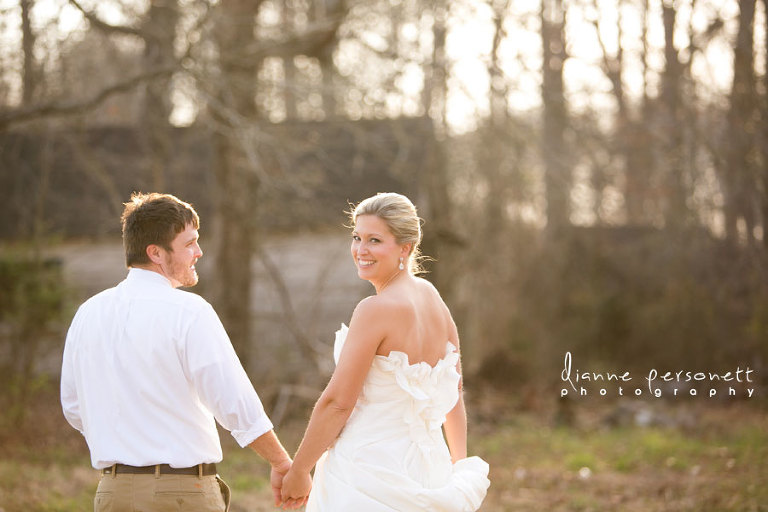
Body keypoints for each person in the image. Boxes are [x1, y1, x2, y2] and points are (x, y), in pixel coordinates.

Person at [60, 192, 307, 511]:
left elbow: (74, 407)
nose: (199, 252)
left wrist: (127, 439)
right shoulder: (189, 311)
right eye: (189, 243)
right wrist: (282, 463)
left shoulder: (88, 313)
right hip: (181, 495)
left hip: (112, 494)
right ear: (156, 253)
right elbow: (233, 401)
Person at [281, 192, 490, 510]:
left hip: (367, 470)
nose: (360, 251)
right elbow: (454, 393)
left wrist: (299, 470)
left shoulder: (374, 309)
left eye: (375, 240)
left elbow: (338, 403)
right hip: (430, 467)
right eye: (357, 237)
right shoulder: (432, 298)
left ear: (405, 247)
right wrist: (456, 465)